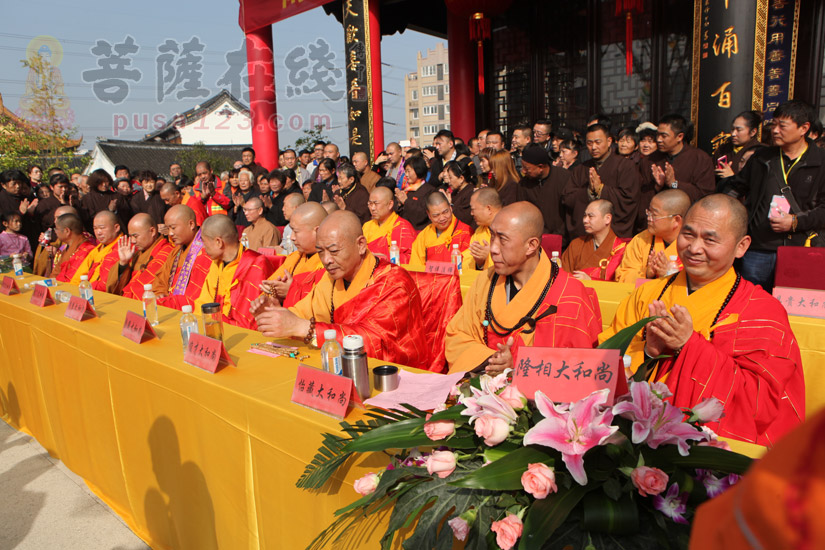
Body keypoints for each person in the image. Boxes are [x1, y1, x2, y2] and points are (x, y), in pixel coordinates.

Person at [601, 194, 804, 445]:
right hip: (634, 432)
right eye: (688, 235)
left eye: (710, 239)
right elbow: (605, 359)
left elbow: (760, 400)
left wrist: (688, 345)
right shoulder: (647, 294)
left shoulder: (762, 312)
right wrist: (650, 353)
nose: (694, 248)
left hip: (710, 444)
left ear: (741, 246)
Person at [251, 211, 431, 369]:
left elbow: (376, 342)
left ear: (361, 245)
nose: (326, 260)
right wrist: (275, 314)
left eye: (334, 251)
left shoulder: (393, 283)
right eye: (321, 251)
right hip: (339, 366)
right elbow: (303, 313)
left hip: (390, 375)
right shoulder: (330, 278)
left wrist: (304, 328)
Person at [445, 202, 602, 374]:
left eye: (503, 239)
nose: (493, 248)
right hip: (481, 383)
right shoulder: (486, 281)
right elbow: (456, 336)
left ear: (531, 245)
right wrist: (492, 360)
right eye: (492, 236)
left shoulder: (568, 294)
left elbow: (578, 366)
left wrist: (516, 364)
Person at [722, 100, 825, 292]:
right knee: (751, 301)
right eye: (773, 125)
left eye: (782, 126)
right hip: (758, 247)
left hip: (800, 248)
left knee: (792, 305)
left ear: (804, 128)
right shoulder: (762, 158)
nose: (775, 131)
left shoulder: (820, 162)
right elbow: (737, 188)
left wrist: (795, 222)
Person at [194, 215, 274, 329]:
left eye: (204, 242)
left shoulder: (256, 264)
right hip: (217, 327)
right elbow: (203, 303)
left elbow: (250, 320)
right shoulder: (217, 263)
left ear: (218, 242)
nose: (203, 248)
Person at [563, 124, 641, 239]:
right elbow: (567, 198)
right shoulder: (580, 169)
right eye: (589, 143)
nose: (593, 147)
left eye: (598, 142)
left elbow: (629, 199)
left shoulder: (626, 166)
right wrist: (588, 191)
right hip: (585, 238)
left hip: (614, 237)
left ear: (609, 141)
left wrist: (601, 189)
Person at [639, 114, 715, 225]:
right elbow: (640, 195)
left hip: (686, 224)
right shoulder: (649, 160)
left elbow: (705, 195)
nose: (659, 140)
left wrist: (674, 184)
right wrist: (657, 187)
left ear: (679, 137)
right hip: (656, 224)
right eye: (658, 135)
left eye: (664, 136)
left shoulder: (700, 159)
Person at [614, 189, 690, 283]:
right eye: (648, 212)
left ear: (676, 220)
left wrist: (669, 274)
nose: (649, 218)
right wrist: (646, 273)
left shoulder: (692, 246)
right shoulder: (641, 240)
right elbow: (622, 275)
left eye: (654, 215)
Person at [260, 202, 327, 307]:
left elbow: (323, 304)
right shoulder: (295, 257)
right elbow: (268, 285)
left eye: (296, 231)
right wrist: (274, 291)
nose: (292, 237)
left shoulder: (329, 263)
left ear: (317, 231)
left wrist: (291, 292)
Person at [155, 205, 212, 309]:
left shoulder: (207, 252)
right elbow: (160, 281)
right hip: (170, 305)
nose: (170, 233)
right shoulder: (175, 252)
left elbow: (198, 294)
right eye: (168, 229)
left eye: (173, 228)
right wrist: (161, 294)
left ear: (191, 224)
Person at [107, 213, 174, 299]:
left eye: (135, 236)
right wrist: (123, 263)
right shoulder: (137, 253)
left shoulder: (166, 252)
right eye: (130, 236)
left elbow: (146, 290)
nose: (132, 241)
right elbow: (112, 288)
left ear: (152, 231)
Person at [561, 199, 628, 281]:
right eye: (585, 216)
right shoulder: (576, 244)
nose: (585, 220)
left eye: (590, 216)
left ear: (607, 219)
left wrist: (590, 280)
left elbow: (621, 283)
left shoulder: (620, 249)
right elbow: (564, 276)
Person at [517, 144, 571, 243]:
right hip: (535, 239)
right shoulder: (523, 184)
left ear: (540, 167)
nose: (523, 171)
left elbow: (571, 210)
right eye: (523, 167)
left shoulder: (564, 178)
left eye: (527, 168)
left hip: (562, 239)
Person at [409, 192, 472, 269]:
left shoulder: (465, 232)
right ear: (429, 215)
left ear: (450, 208)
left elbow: (468, 265)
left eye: (445, 212)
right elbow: (416, 267)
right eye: (436, 215)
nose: (442, 218)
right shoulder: (423, 236)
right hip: (429, 279)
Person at [71, 210, 123, 290]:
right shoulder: (97, 249)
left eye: (102, 228)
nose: (98, 232)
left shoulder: (122, 248)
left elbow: (107, 284)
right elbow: (79, 275)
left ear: (116, 228)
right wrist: (72, 289)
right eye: (95, 228)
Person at [362, 186, 415, 264]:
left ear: (390, 204)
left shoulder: (402, 227)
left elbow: (411, 258)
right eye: (370, 204)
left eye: (376, 204)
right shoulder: (367, 226)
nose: (372, 208)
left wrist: (383, 258)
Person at [713, 111, 765, 179]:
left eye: (739, 130)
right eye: (732, 129)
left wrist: (732, 176)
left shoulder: (762, 151)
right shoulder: (723, 149)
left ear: (753, 132)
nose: (733, 134)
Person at [463, 187, 502, 271]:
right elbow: (468, 258)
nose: (471, 213)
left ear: (488, 209)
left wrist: (490, 255)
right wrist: (480, 262)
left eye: (473, 209)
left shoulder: (510, 227)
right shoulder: (480, 231)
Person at [48, 213, 95, 281]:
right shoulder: (67, 247)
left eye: (56, 229)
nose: (55, 232)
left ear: (67, 231)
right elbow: (56, 273)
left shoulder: (87, 249)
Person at [395, 155, 436, 231]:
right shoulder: (407, 190)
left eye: (408, 171)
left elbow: (423, 214)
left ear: (418, 170)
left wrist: (406, 202)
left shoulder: (429, 190)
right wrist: (399, 204)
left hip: (421, 232)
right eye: (405, 171)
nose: (406, 175)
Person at [443, 158, 476, 230]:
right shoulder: (455, 192)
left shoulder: (470, 193)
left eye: (451, 177)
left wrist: (449, 204)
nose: (449, 181)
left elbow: (463, 218)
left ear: (461, 178)